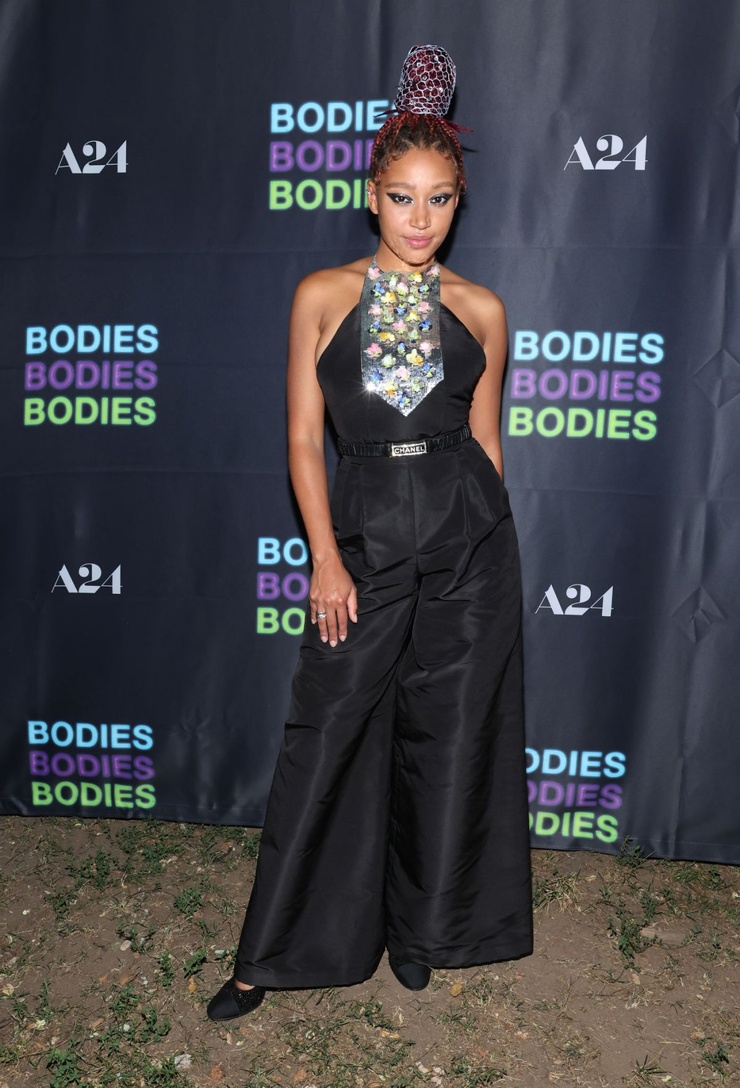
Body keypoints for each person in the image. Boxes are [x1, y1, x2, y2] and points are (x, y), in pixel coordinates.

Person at [207, 45, 532, 1022]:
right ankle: (269, 954)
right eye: (401, 198)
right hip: (362, 538)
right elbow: (301, 440)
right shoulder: (322, 294)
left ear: (458, 202)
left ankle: (423, 932)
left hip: (469, 545)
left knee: (451, 738)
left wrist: (488, 545)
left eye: (438, 199)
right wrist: (325, 556)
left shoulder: (481, 308)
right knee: (328, 732)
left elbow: (487, 443)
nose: (419, 218)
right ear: (370, 196)